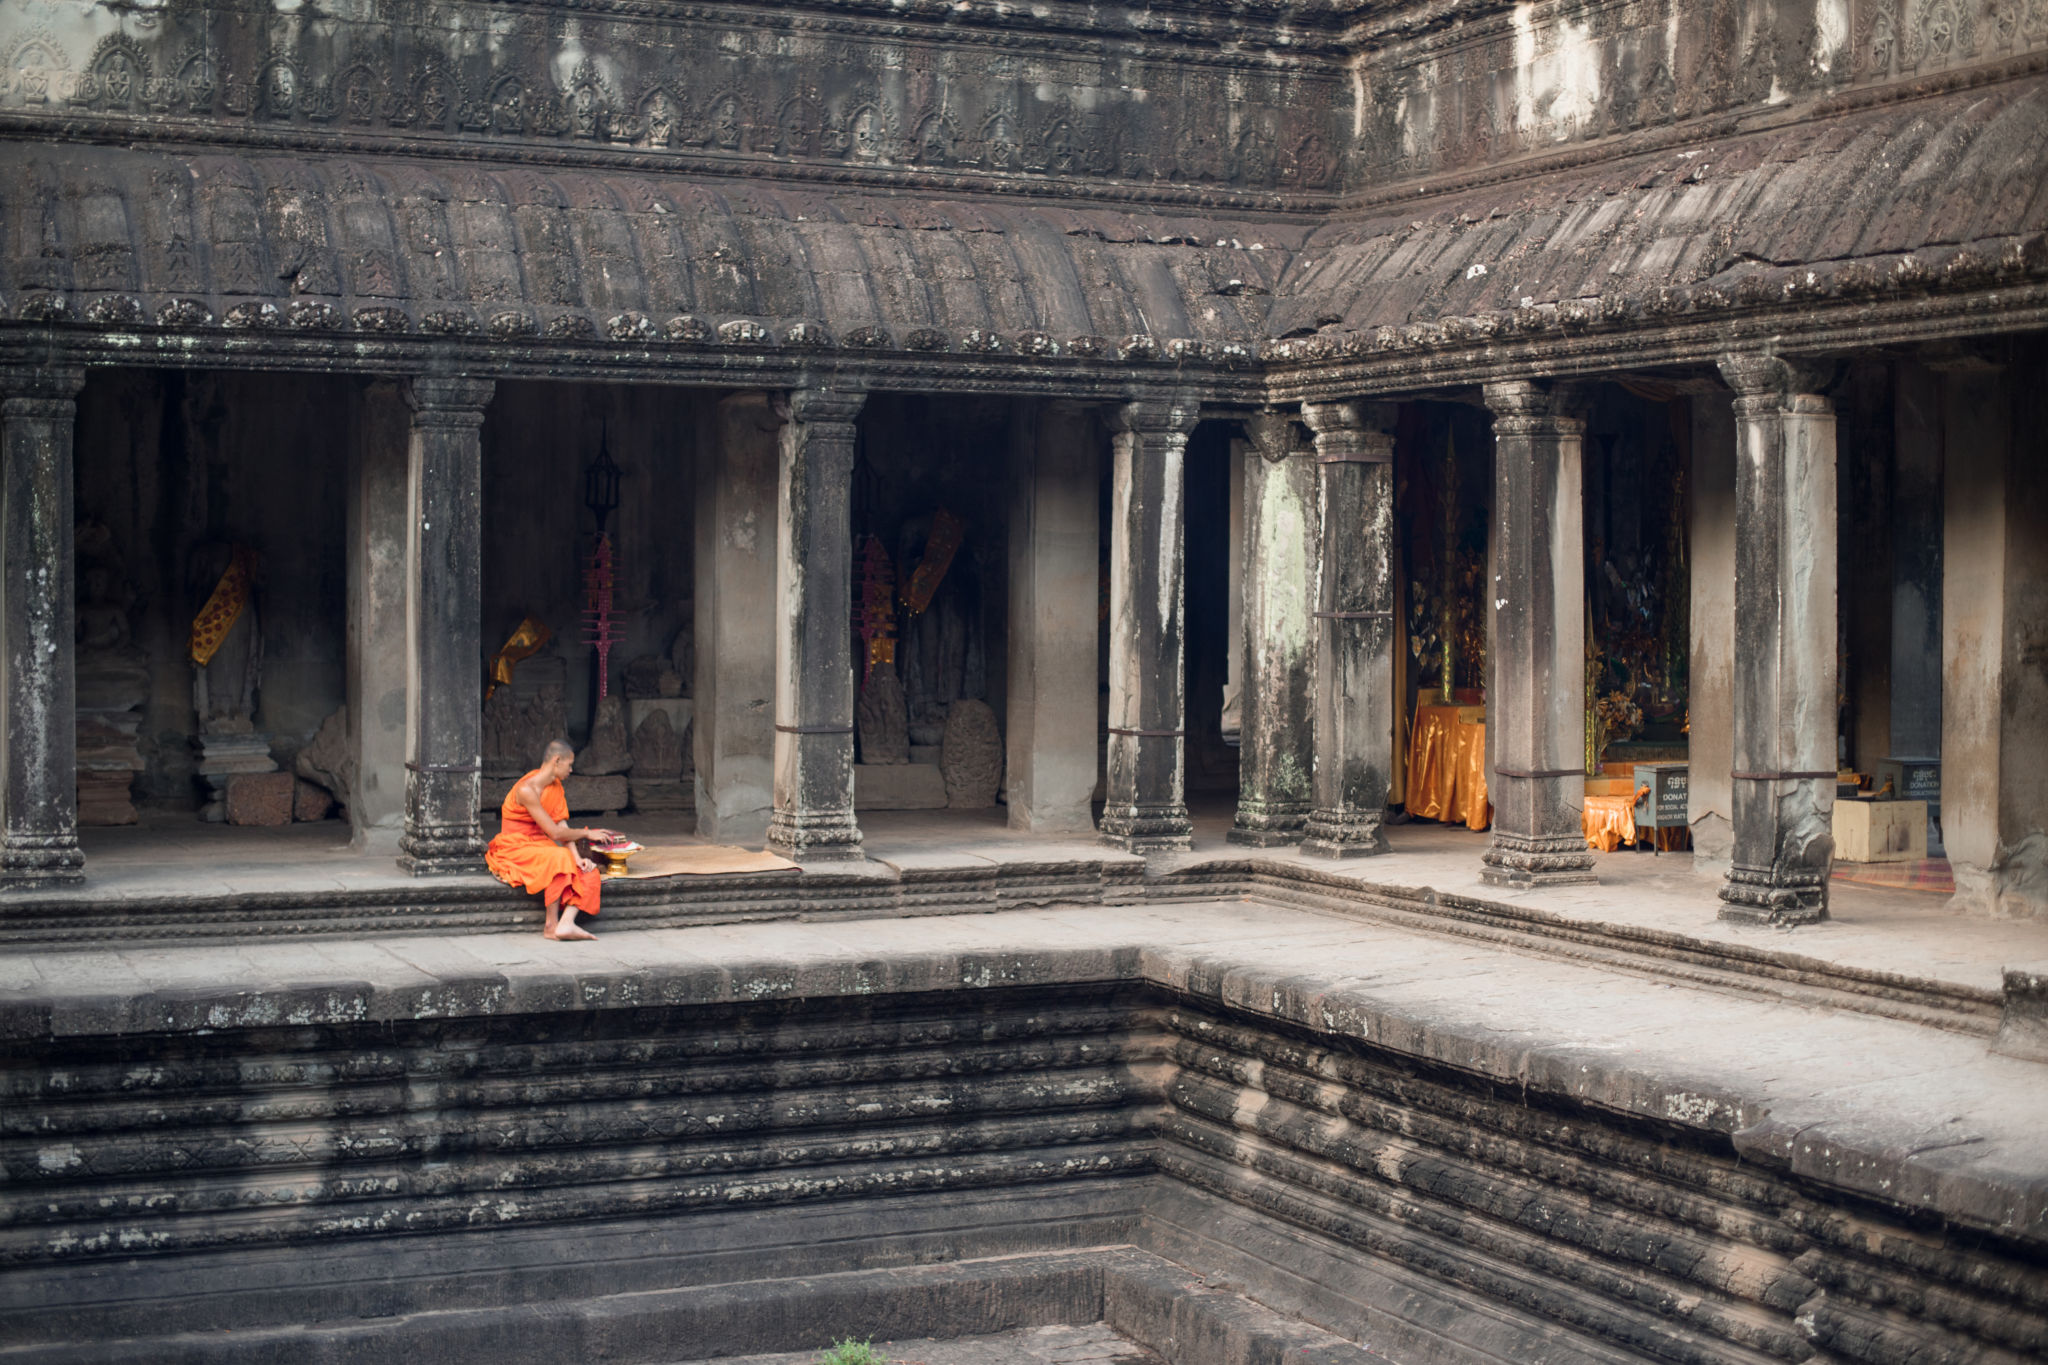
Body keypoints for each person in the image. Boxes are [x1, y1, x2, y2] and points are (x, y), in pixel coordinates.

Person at [485, 740, 614, 941]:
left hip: (540, 845)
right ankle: (550, 925)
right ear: (556, 760)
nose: (571, 770)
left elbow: (562, 826)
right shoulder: (526, 789)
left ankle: (566, 923)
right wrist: (586, 834)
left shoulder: (555, 786)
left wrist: (577, 857)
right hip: (515, 846)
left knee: (587, 870)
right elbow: (554, 833)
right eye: (569, 764)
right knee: (559, 858)